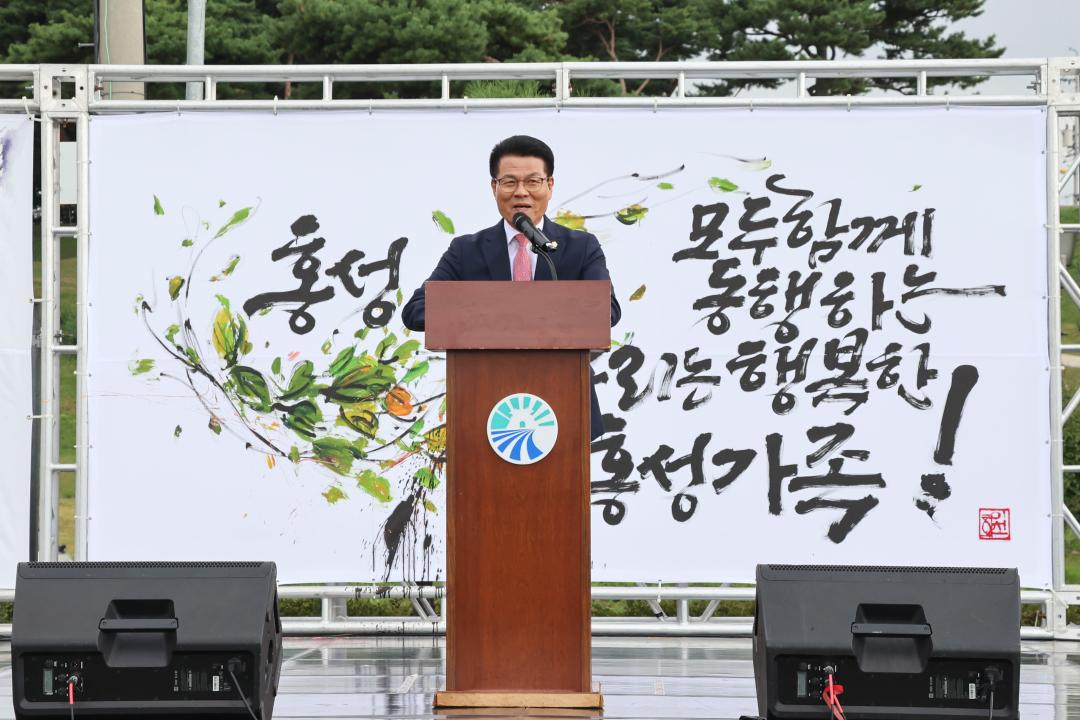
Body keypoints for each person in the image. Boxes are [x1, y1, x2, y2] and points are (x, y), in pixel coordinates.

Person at [402, 134, 621, 439]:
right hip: (484, 407)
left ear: (550, 186)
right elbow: (415, 312)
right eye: (509, 182)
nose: (521, 192)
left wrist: (511, 313)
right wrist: (501, 310)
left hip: (565, 403)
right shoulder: (466, 251)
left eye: (533, 181)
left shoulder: (580, 247)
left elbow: (606, 312)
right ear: (494, 187)